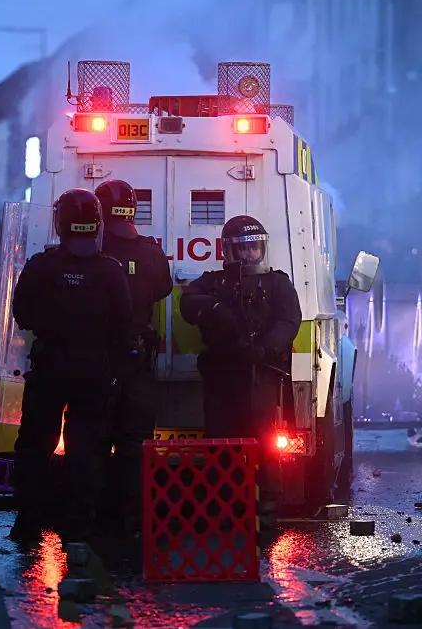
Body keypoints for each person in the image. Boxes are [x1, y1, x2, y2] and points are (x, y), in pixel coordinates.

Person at [8, 188, 133, 542]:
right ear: (97, 224)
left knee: (35, 444)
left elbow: (22, 315)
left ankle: (29, 520)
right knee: (86, 447)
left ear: (60, 223)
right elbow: (125, 324)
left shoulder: (41, 266)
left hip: (49, 367)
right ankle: (80, 526)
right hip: (94, 371)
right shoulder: (110, 271)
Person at [180, 215, 302, 529]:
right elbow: (188, 303)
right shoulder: (214, 282)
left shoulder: (278, 283)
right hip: (222, 375)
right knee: (221, 441)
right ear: (229, 251)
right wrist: (216, 308)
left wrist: (263, 348)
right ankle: (225, 510)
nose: (249, 254)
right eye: (242, 248)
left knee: (265, 440)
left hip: (260, 375)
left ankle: (269, 511)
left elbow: (289, 321)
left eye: (254, 248)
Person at [94, 179, 173, 533]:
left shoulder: (91, 250)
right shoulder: (150, 251)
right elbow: (163, 289)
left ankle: (93, 518)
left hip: (96, 361)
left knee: (92, 438)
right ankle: (133, 519)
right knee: (135, 441)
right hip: (137, 361)